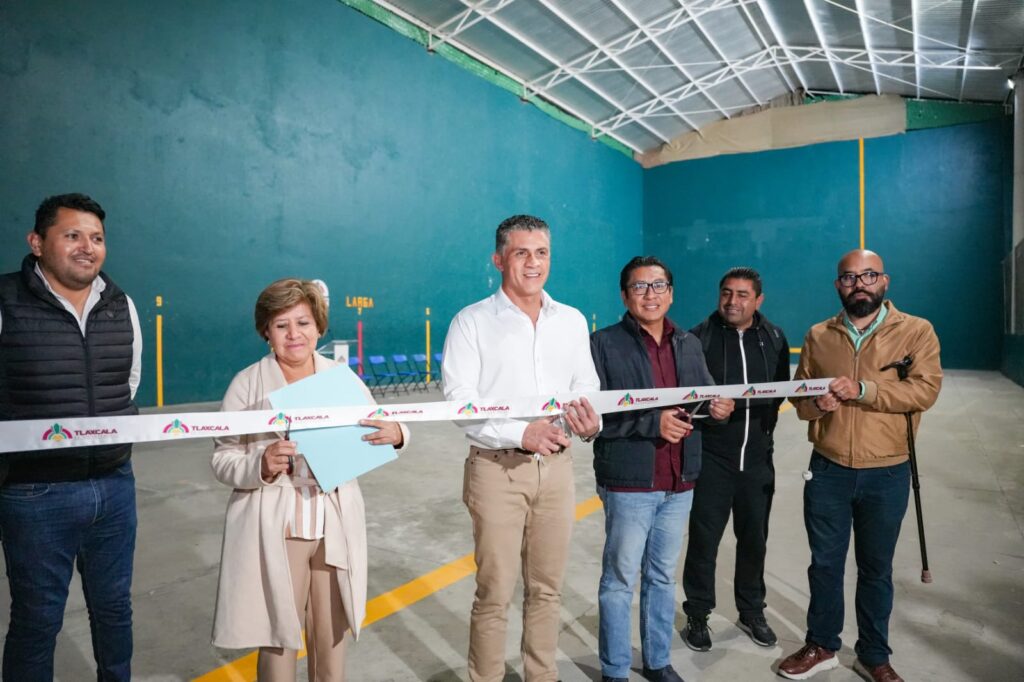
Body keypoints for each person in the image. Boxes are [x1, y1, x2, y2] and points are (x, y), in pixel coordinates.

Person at [211, 278, 409, 682]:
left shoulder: (341, 379)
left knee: (330, 635)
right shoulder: (247, 384)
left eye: (303, 323)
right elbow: (222, 456)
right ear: (266, 332)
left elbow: (384, 425)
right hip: (279, 527)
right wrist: (260, 464)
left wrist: (398, 434)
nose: (294, 334)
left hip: (332, 523)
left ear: (318, 327)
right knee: (278, 638)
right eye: (281, 325)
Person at [442, 214, 601, 682]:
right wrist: (520, 433)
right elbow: (460, 403)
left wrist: (589, 421)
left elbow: (586, 385)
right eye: (521, 253)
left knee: (547, 589)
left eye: (542, 252)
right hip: (496, 471)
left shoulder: (571, 321)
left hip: (557, 469)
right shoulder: (471, 322)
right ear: (499, 260)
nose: (533, 263)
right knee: (494, 593)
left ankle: (541, 675)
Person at [778, 250, 941, 682]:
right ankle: (822, 645)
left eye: (869, 275)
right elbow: (799, 398)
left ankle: (873, 655)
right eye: (849, 278)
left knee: (875, 569)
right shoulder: (819, 335)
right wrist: (818, 404)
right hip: (828, 469)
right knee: (824, 565)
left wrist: (864, 390)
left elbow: (924, 391)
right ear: (838, 285)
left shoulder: (916, 331)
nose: (859, 284)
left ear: (884, 281)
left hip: (887, 472)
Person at [0, 193, 142, 681]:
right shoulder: (5, 301)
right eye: (73, 235)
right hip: (34, 492)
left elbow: (128, 384)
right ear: (37, 242)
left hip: (114, 484)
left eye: (97, 238)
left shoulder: (121, 305)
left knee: (114, 608)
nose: (88, 247)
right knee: (37, 620)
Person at [589, 256, 734, 682]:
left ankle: (657, 661)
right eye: (639, 286)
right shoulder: (603, 344)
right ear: (624, 295)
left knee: (662, 577)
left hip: (679, 480)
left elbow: (702, 398)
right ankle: (615, 670)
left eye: (658, 286)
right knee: (620, 579)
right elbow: (592, 416)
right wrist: (653, 423)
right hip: (630, 482)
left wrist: (717, 409)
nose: (650, 295)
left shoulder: (688, 343)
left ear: (671, 294)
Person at [681, 267, 789, 651]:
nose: (732, 301)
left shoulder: (774, 338)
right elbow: (685, 401)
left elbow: (778, 393)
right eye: (727, 293)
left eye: (743, 295)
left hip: (757, 460)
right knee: (704, 541)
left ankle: (751, 610)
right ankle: (697, 613)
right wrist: (709, 413)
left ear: (758, 300)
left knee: (754, 539)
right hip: (713, 459)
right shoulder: (696, 339)